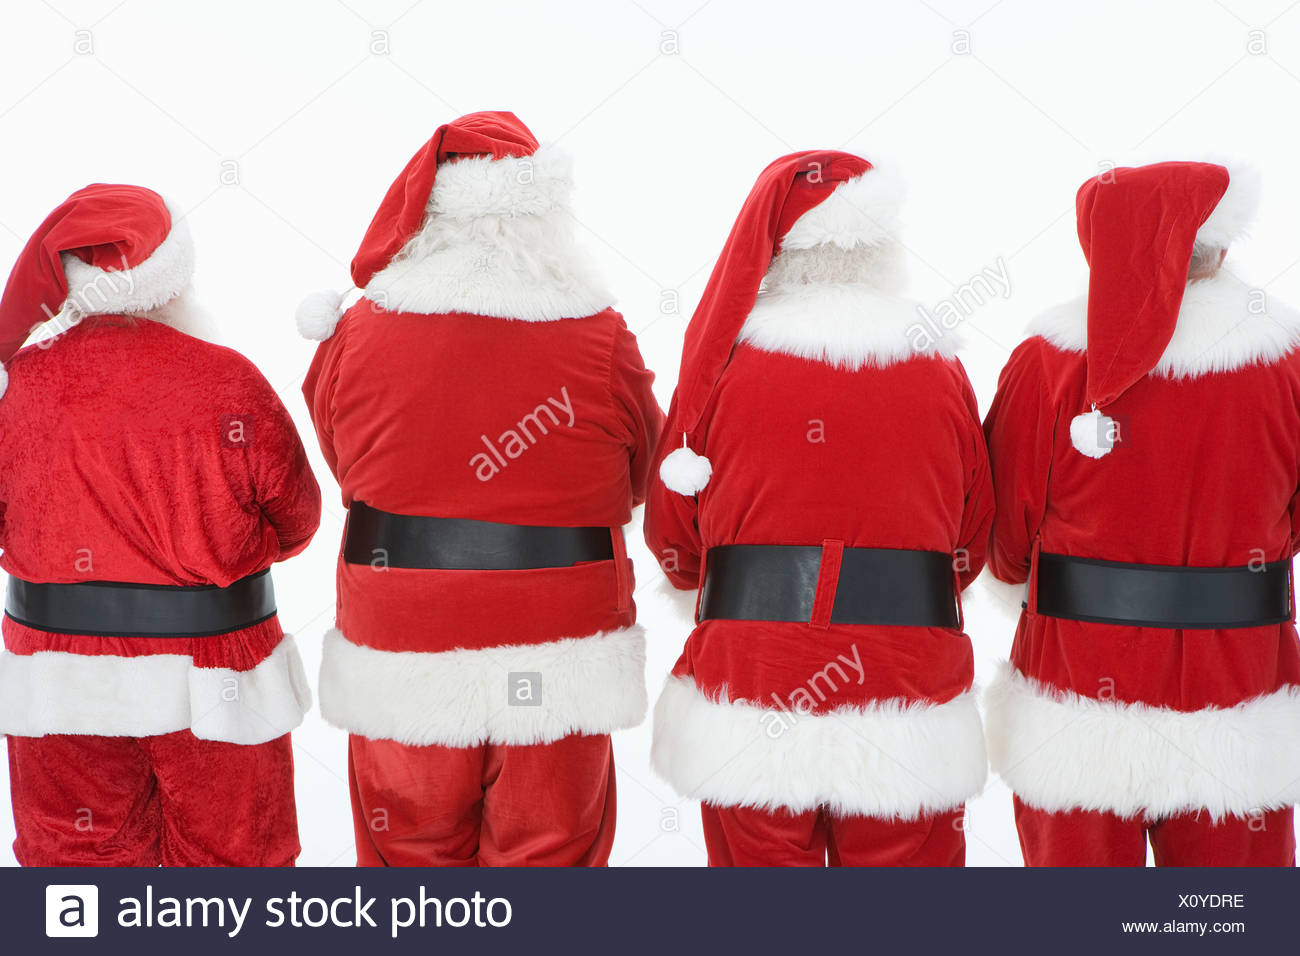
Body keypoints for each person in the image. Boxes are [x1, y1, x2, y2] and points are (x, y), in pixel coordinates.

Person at [299, 111, 664, 867]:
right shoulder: (597, 333)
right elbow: (644, 470)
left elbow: (348, 463)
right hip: (559, 629)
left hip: (402, 626)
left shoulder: (359, 331)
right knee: (552, 849)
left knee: (408, 854)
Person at [643, 151, 994, 866]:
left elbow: (671, 530)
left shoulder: (722, 366)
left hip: (754, 672)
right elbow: (974, 528)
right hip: (905, 675)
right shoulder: (938, 364)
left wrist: (713, 588)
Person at [983, 160, 1300, 866]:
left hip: (1077, 690)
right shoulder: (1287, 363)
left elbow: (1001, 534)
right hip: (1238, 690)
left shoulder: (1047, 364)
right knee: (1231, 918)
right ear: (1220, 245)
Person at [0, 183, 320, 866]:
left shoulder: (21, 386)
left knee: (75, 874)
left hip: (58, 683)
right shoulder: (228, 381)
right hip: (214, 677)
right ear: (175, 277)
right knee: (235, 870)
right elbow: (297, 519)